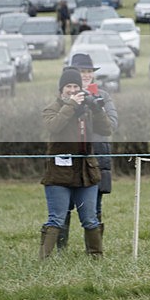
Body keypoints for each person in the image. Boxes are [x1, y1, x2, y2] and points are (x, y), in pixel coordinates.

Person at [40, 67, 113, 258]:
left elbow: (106, 129)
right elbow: (54, 126)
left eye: (75, 86)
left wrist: (97, 109)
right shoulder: (51, 108)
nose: (72, 90)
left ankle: (96, 258)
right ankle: (43, 260)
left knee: (90, 218)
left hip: (85, 172)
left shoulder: (86, 109)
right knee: (56, 218)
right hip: (58, 173)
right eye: (68, 86)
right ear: (61, 90)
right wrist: (71, 105)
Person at [57, 54, 119, 251]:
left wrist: (93, 106)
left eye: (89, 71)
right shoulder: (64, 97)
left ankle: (94, 250)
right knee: (63, 207)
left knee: (95, 208)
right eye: (81, 71)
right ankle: (60, 248)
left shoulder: (102, 96)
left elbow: (111, 125)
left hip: (96, 155)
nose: (85, 75)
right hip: (68, 156)